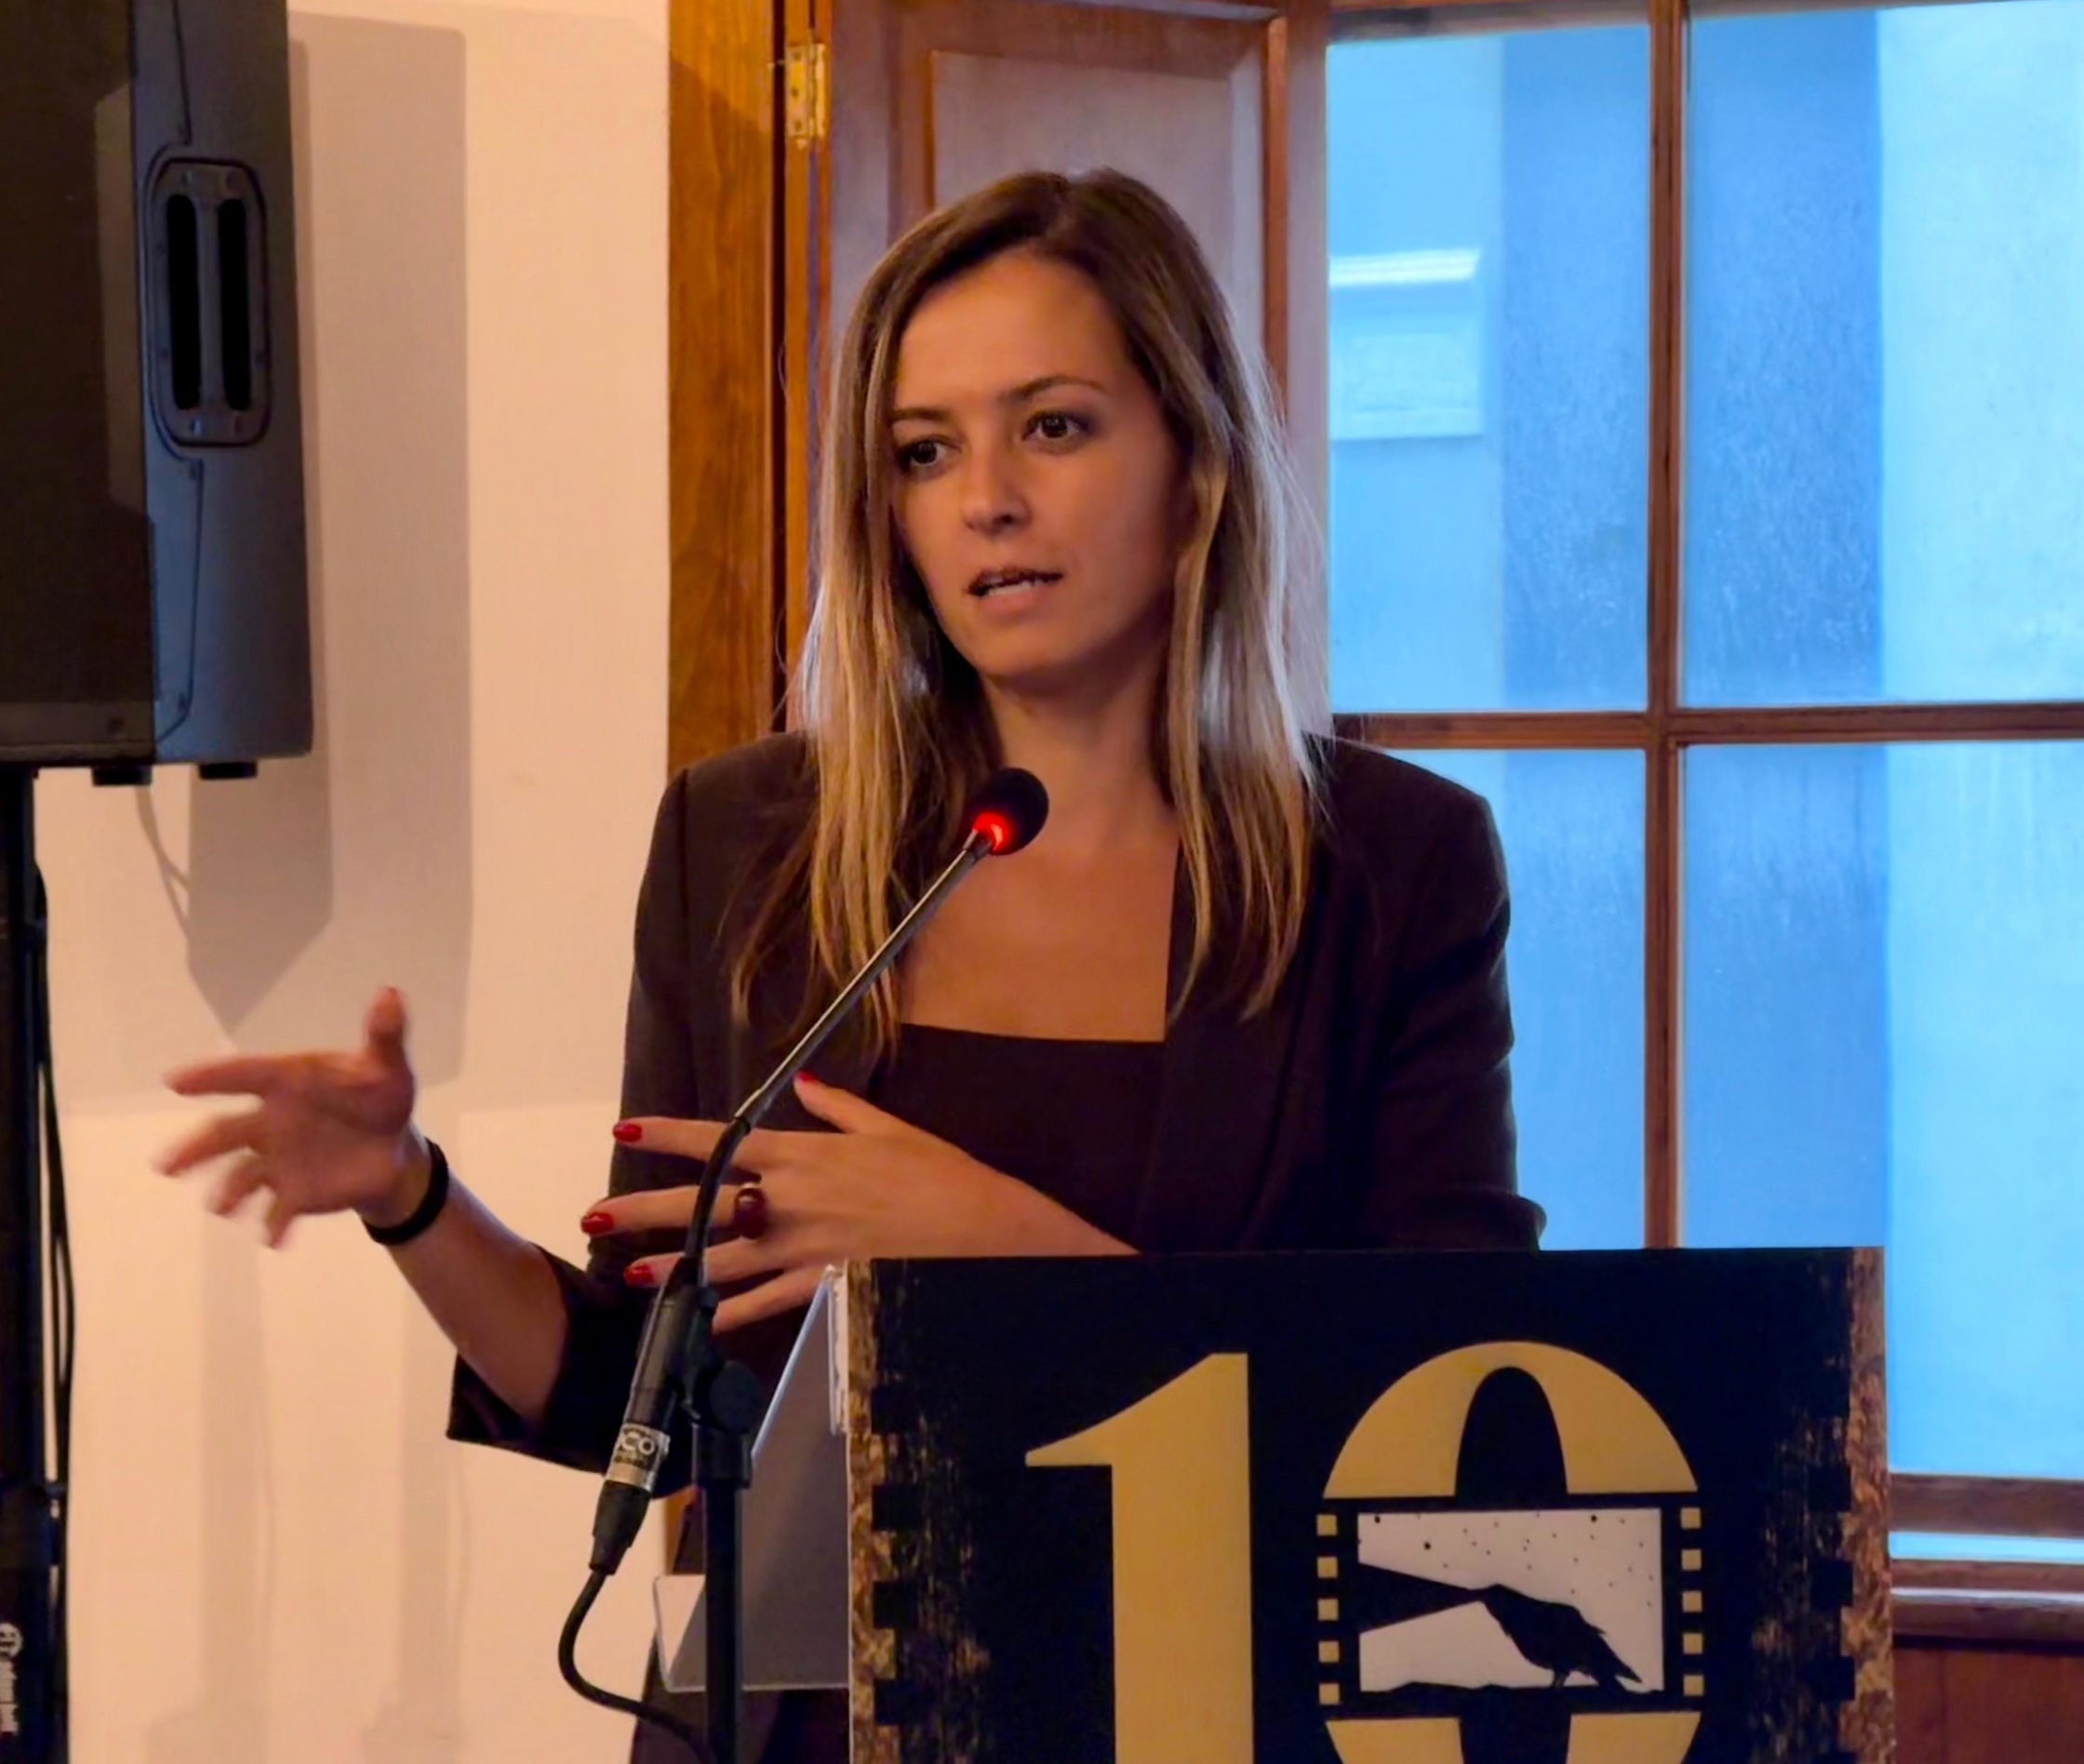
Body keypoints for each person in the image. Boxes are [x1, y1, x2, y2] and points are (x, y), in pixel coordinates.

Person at [156, 168, 1543, 1763]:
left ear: (1196, 465)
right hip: (803, 1723)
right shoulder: (745, 842)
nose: (986, 502)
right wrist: (409, 1194)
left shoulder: (1393, 869)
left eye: (1055, 426)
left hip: (1211, 1705)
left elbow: (1439, 1414)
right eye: (923, 452)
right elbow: (646, 1392)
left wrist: (991, 1252)